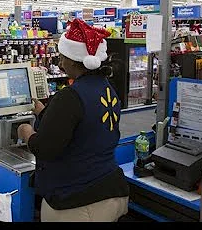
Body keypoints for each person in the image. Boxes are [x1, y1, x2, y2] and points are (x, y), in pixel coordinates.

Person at [17, 19, 129, 222]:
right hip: (110, 189)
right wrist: (44, 113)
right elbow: (85, 125)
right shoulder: (106, 87)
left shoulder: (70, 96)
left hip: (78, 201)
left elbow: (44, 148)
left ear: (76, 60)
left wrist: (26, 132)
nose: (60, 64)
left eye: (63, 58)